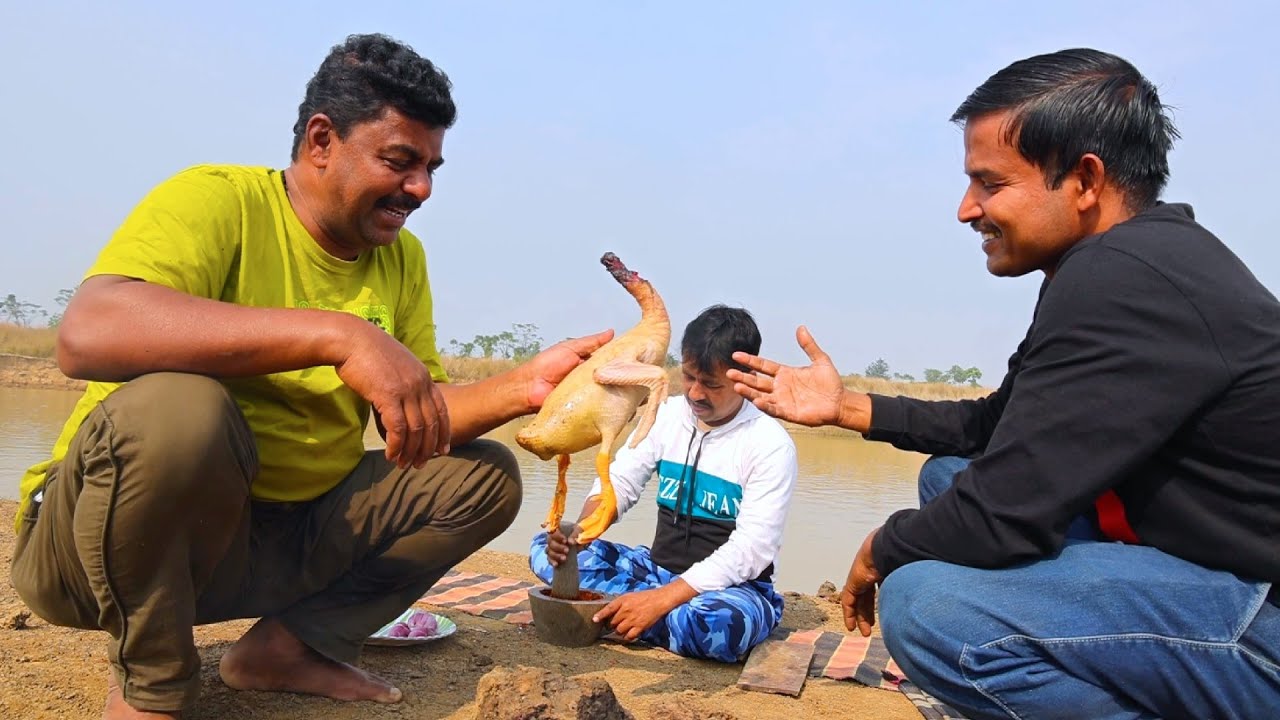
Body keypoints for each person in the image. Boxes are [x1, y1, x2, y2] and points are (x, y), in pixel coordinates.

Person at [9, 33, 612, 720]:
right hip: (96, 554)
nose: (421, 188)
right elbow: (89, 332)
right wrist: (336, 335)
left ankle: (289, 648)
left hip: (265, 546)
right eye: (400, 161)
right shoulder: (218, 201)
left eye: (432, 168)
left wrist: (527, 386)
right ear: (322, 140)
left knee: (484, 477)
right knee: (178, 409)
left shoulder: (400, 260)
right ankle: (153, 686)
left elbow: (416, 418)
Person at [729, 48, 1280, 719]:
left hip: (1259, 613)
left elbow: (1005, 513)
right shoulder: (1128, 261)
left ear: (1084, 180)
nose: (967, 209)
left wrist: (883, 547)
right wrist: (846, 407)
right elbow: (996, 429)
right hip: (1203, 565)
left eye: (990, 184)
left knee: (928, 606)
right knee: (949, 479)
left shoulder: (1125, 279)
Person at [530, 305, 797, 663]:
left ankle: (617, 613)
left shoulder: (769, 444)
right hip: (654, 571)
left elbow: (752, 550)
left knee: (718, 627)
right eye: (689, 378)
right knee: (546, 552)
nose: (696, 394)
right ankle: (635, 614)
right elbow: (619, 482)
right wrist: (579, 533)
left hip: (731, 590)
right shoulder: (666, 415)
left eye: (712, 385)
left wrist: (663, 599)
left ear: (745, 378)